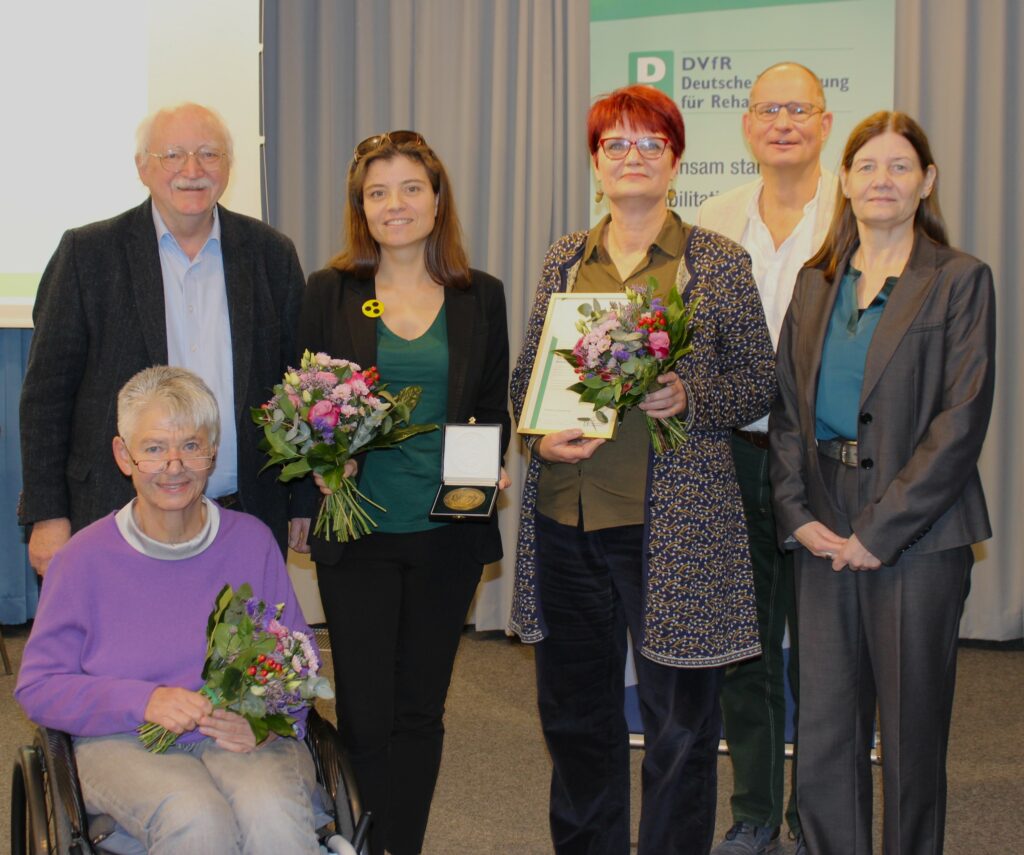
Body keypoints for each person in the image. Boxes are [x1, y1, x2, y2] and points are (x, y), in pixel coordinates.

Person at [509, 85, 776, 855]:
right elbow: (528, 379)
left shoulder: (716, 262)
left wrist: (690, 390)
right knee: (575, 719)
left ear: (675, 159)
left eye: (649, 144)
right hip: (568, 519)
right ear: (596, 162)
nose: (632, 158)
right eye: (615, 144)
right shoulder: (567, 258)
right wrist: (537, 435)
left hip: (674, 528)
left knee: (680, 727)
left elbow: (759, 379)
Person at [769, 112, 995, 855]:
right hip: (821, 519)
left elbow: (961, 421)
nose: (882, 181)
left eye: (900, 167)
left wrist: (880, 531)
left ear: (926, 182)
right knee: (827, 726)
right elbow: (788, 409)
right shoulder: (814, 281)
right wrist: (796, 512)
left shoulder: (959, 279)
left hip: (919, 535)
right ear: (844, 179)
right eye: (867, 166)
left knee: (909, 727)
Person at [293, 130, 510, 855]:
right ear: (361, 206)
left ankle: (403, 845)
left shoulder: (481, 296)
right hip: (359, 531)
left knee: (421, 707)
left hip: (447, 530)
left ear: (438, 199)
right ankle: (365, 838)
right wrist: (322, 460)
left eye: (411, 188)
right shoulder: (331, 292)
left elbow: (488, 407)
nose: (396, 204)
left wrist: (493, 466)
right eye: (378, 192)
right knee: (362, 709)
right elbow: (298, 401)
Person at [15, 366, 322, 854]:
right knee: (196, 819)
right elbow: (39, 686)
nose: (174, 466)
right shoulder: (82, 559)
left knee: (274, 818)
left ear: (212, 453)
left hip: (237, 732)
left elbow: (298, 665)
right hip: (122, 738)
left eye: (191, 446)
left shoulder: (251, 542)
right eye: (155, 448)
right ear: (124, 455)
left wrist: (264, 722)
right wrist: (143, 700)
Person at [19, 102, 305, 574]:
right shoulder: (87, 255)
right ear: (142, 167)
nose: (192, 170)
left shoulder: (271, 254)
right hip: (115, 515)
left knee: (240, 648)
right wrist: (48, 515)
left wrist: (301, 501)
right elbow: (46, 398)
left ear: (228, 167)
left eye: (209, 154)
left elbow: (295, 386)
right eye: (172, 154)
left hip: (244, 514)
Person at [696, 61, 836, 855]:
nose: (783, 122)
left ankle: (816, 812)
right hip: (735, 454)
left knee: (824, 650)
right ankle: (754, 809)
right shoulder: (714, 218)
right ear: (747, 126)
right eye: (768, 110)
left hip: (825, 467)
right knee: (743, 643)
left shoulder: (856, 212)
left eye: (799, 109)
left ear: (823, 123)